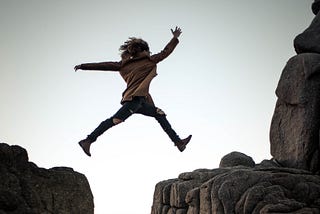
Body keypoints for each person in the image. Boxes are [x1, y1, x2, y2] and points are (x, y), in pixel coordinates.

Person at [74, 26, 191, 156]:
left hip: (141, 101)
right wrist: (174, 38)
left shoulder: (123, 65)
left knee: (159, 114)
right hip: (133, 100)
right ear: (144, 50)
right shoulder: (149, 60)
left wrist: (83, 66)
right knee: (116, 120)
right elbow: (166, 51)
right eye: (147, 50)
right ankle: (88, 140)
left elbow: (104, 65)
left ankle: (178, 142)